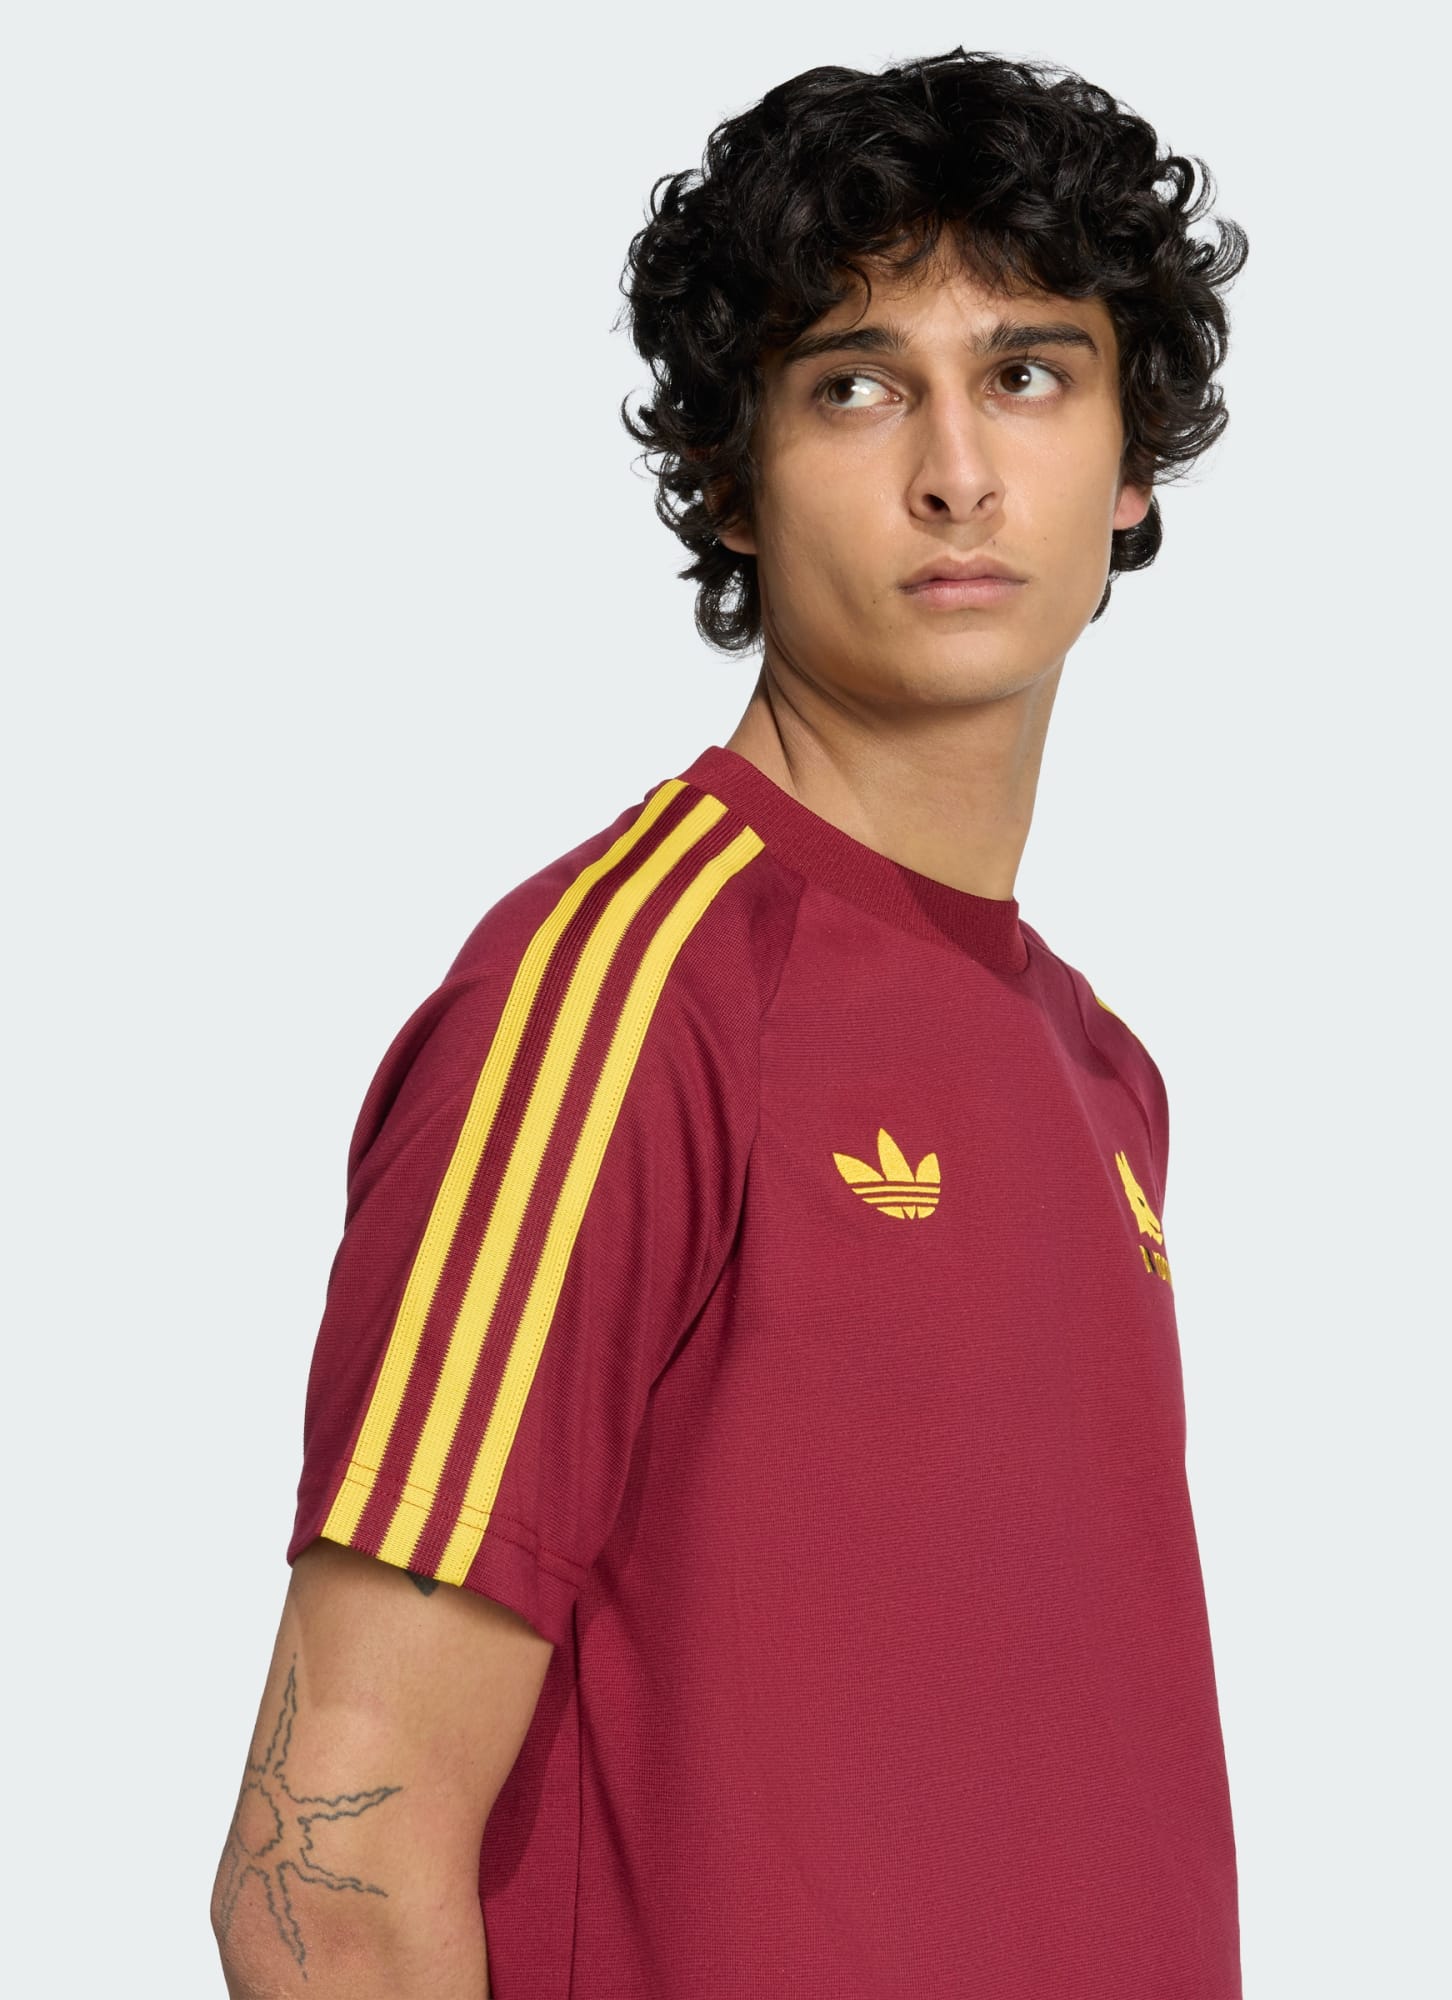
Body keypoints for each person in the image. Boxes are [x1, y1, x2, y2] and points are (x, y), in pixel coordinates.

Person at [212, 44, 1249, 1998]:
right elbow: (328, 1883)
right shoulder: (618, 997)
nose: (956, 470)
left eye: (1029, 374)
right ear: (727, 478)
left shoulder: (1102, 1070)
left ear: (1129, 464)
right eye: (856, 385)